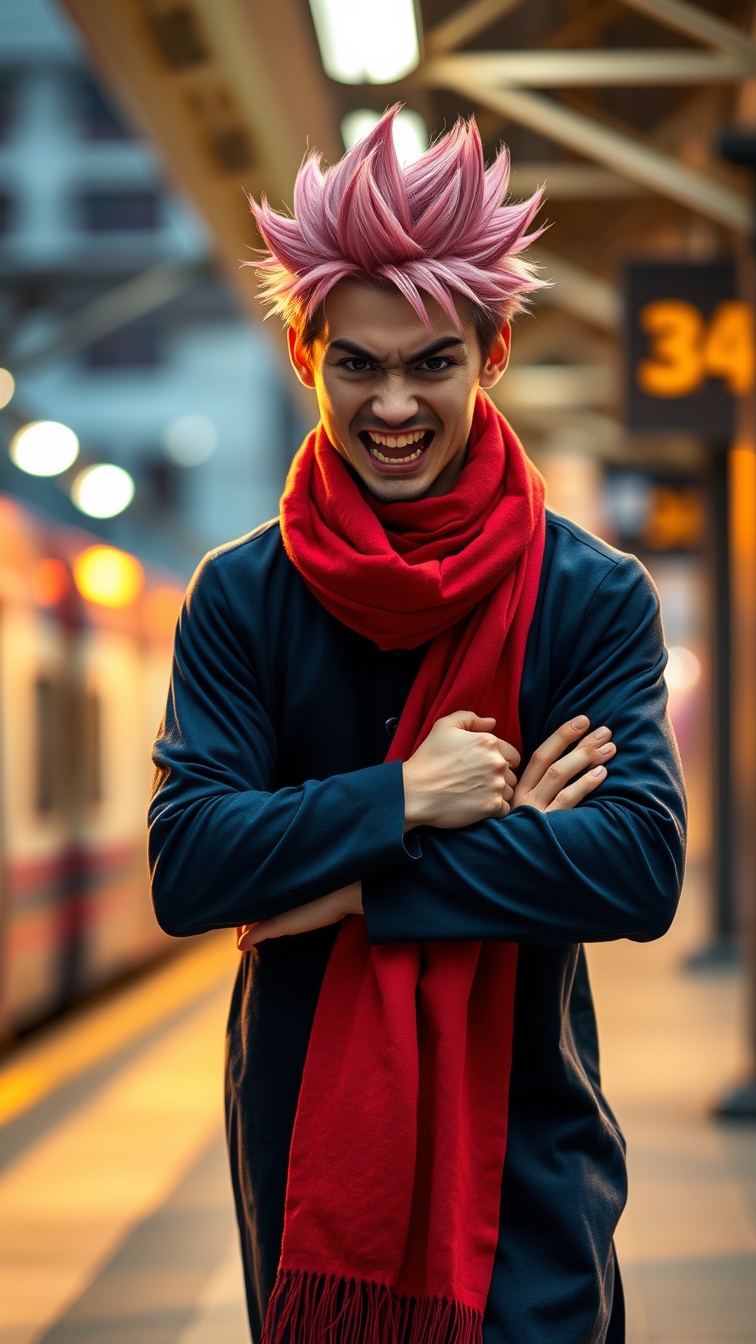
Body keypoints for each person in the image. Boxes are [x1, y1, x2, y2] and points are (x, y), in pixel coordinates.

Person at [149, 108, 686, 1344]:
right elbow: (189, 867)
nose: (393, 405)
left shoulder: (588, 593)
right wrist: (409, 797)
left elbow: (639, 867)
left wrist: (341, 887)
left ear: (491, 355)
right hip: (307, 1165)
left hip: (530, 1148)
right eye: (359, 365)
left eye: (431, 363)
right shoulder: (243, 595)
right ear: (306, 357)